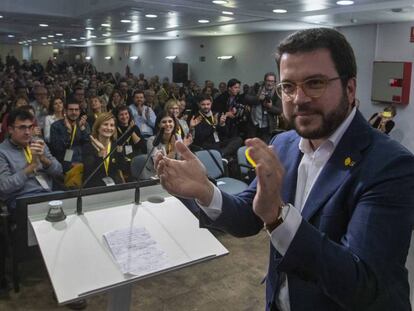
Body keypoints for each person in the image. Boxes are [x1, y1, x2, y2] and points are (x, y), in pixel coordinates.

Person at [155, 28, 414, 311]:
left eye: (314, 83)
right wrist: (206, 191)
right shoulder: (285, 143)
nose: (298, 98)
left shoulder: (391, 166)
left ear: (350, 88)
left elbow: (360, 284)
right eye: (288, 86)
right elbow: (249, 216)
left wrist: (278, 217)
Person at [0, 108, 62, 210]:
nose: (28, 132)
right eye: (22, 128)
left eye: (30, 127)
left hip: (48, 194)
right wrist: (30, 167)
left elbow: (59, 171)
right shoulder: (2, 151)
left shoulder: (38, 143)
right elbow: (4, 187)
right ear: (10, 129)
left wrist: (43, 159)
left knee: (73, 202)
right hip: (22, 199)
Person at [82, 112, 126, 188]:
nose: (109, 128)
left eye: (112, 125)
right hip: (95, 188)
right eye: (105, 124)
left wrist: (120, 153)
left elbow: (122, 167)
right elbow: (90, 173)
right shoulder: (88, 147)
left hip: (114, 186)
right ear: (98, 127)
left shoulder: (116, 145)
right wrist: (100, 153)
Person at [143, 111, 192, 179]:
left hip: (173, 174)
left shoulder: (178, 137)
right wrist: (173, 150)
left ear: (174, 123)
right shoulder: (152, 141)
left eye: (170, 121)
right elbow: (161, 164)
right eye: (164, 122)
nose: (167, 124)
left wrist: (185, 149)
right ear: (158, 124)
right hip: (155, 176)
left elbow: (181, 161)